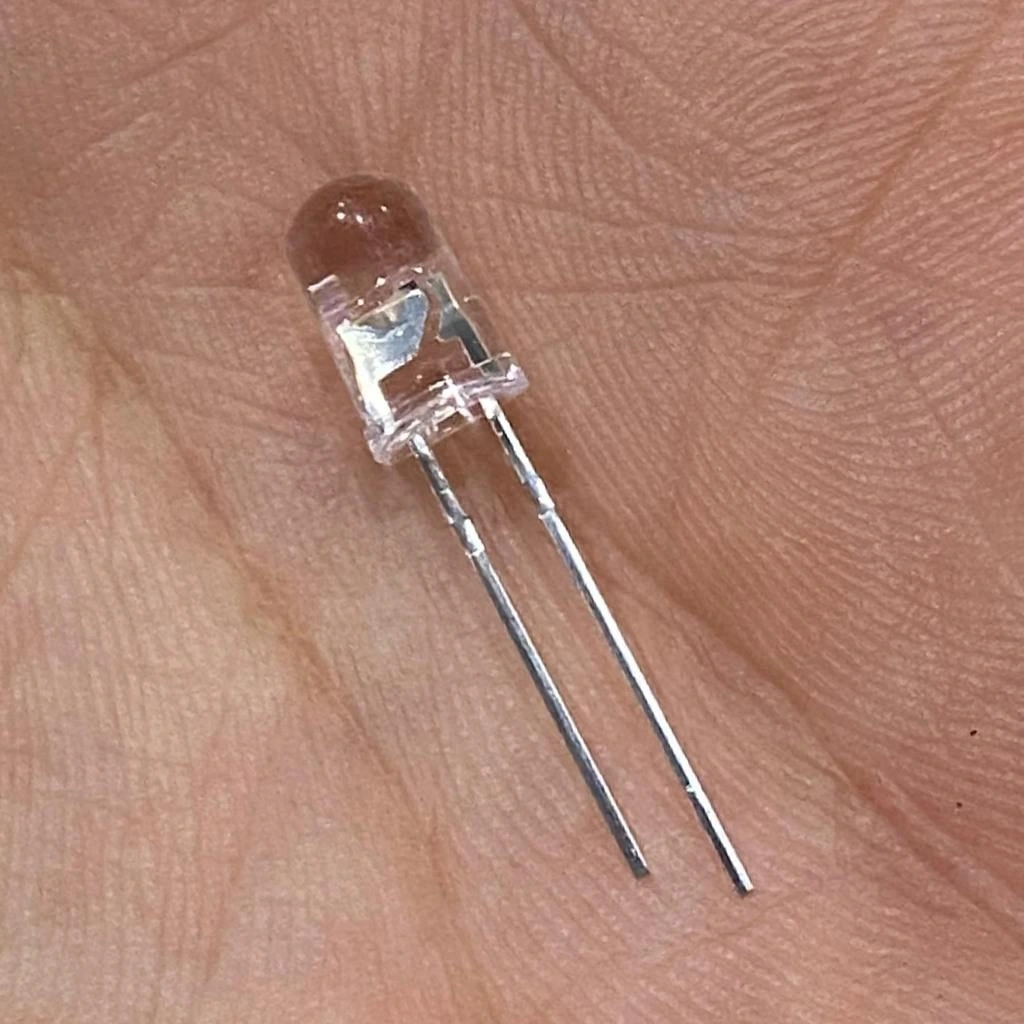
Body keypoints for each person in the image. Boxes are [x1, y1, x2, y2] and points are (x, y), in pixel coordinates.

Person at [2, 0, 1022, 1019]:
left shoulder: (400, 273)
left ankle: (680, 834)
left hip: (458, 387)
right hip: (424, 400)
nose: (379, 276)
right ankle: (661, 841)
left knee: (518, 523)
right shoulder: (361, 294)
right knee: (499, 531)